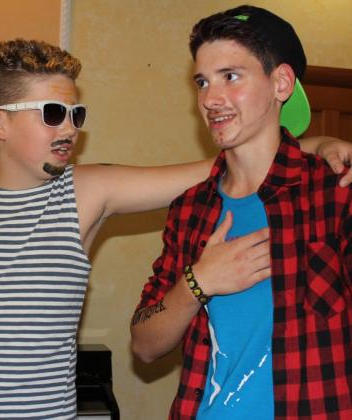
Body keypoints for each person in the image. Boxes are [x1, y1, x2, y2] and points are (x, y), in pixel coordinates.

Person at [0, 38, 350, 419]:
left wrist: (315, 144)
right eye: (52, 114)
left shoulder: (85, 192)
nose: (70, 128)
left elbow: (216, 167)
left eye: (76, 113)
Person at [130, 5, 352, 420]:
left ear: (281, 83)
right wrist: (198, 283)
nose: (210, 99)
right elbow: (144, 345)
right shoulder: (190, 208)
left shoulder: (334, 194)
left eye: (231, 76)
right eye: (202, 82)